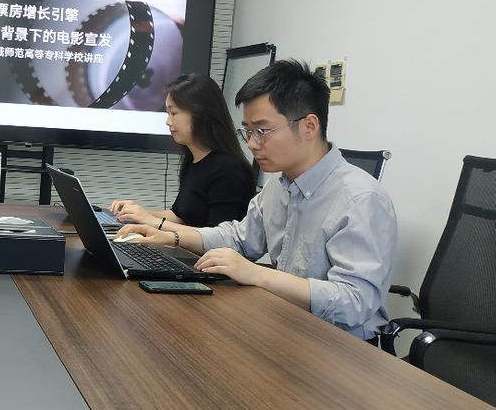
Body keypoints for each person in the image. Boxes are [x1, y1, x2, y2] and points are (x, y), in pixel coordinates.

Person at [115, 60, 397, 342]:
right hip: (284, 326)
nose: (251, 143)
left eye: (262, 130)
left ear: (309, 126)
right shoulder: (278, 187)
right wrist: (172, 237)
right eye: (247, 131)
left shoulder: (360, 199)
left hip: (340, 346)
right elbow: (239, 238)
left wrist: (257, 274)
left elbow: (355, 302)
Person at [109, 72, 255, 229]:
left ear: (200, 113)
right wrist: (137, 213)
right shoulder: (193, 159)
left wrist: (151, 221)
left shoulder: (227, 169)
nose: (168, 121)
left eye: (173, 113)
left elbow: (218, 236)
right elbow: (180, 216)